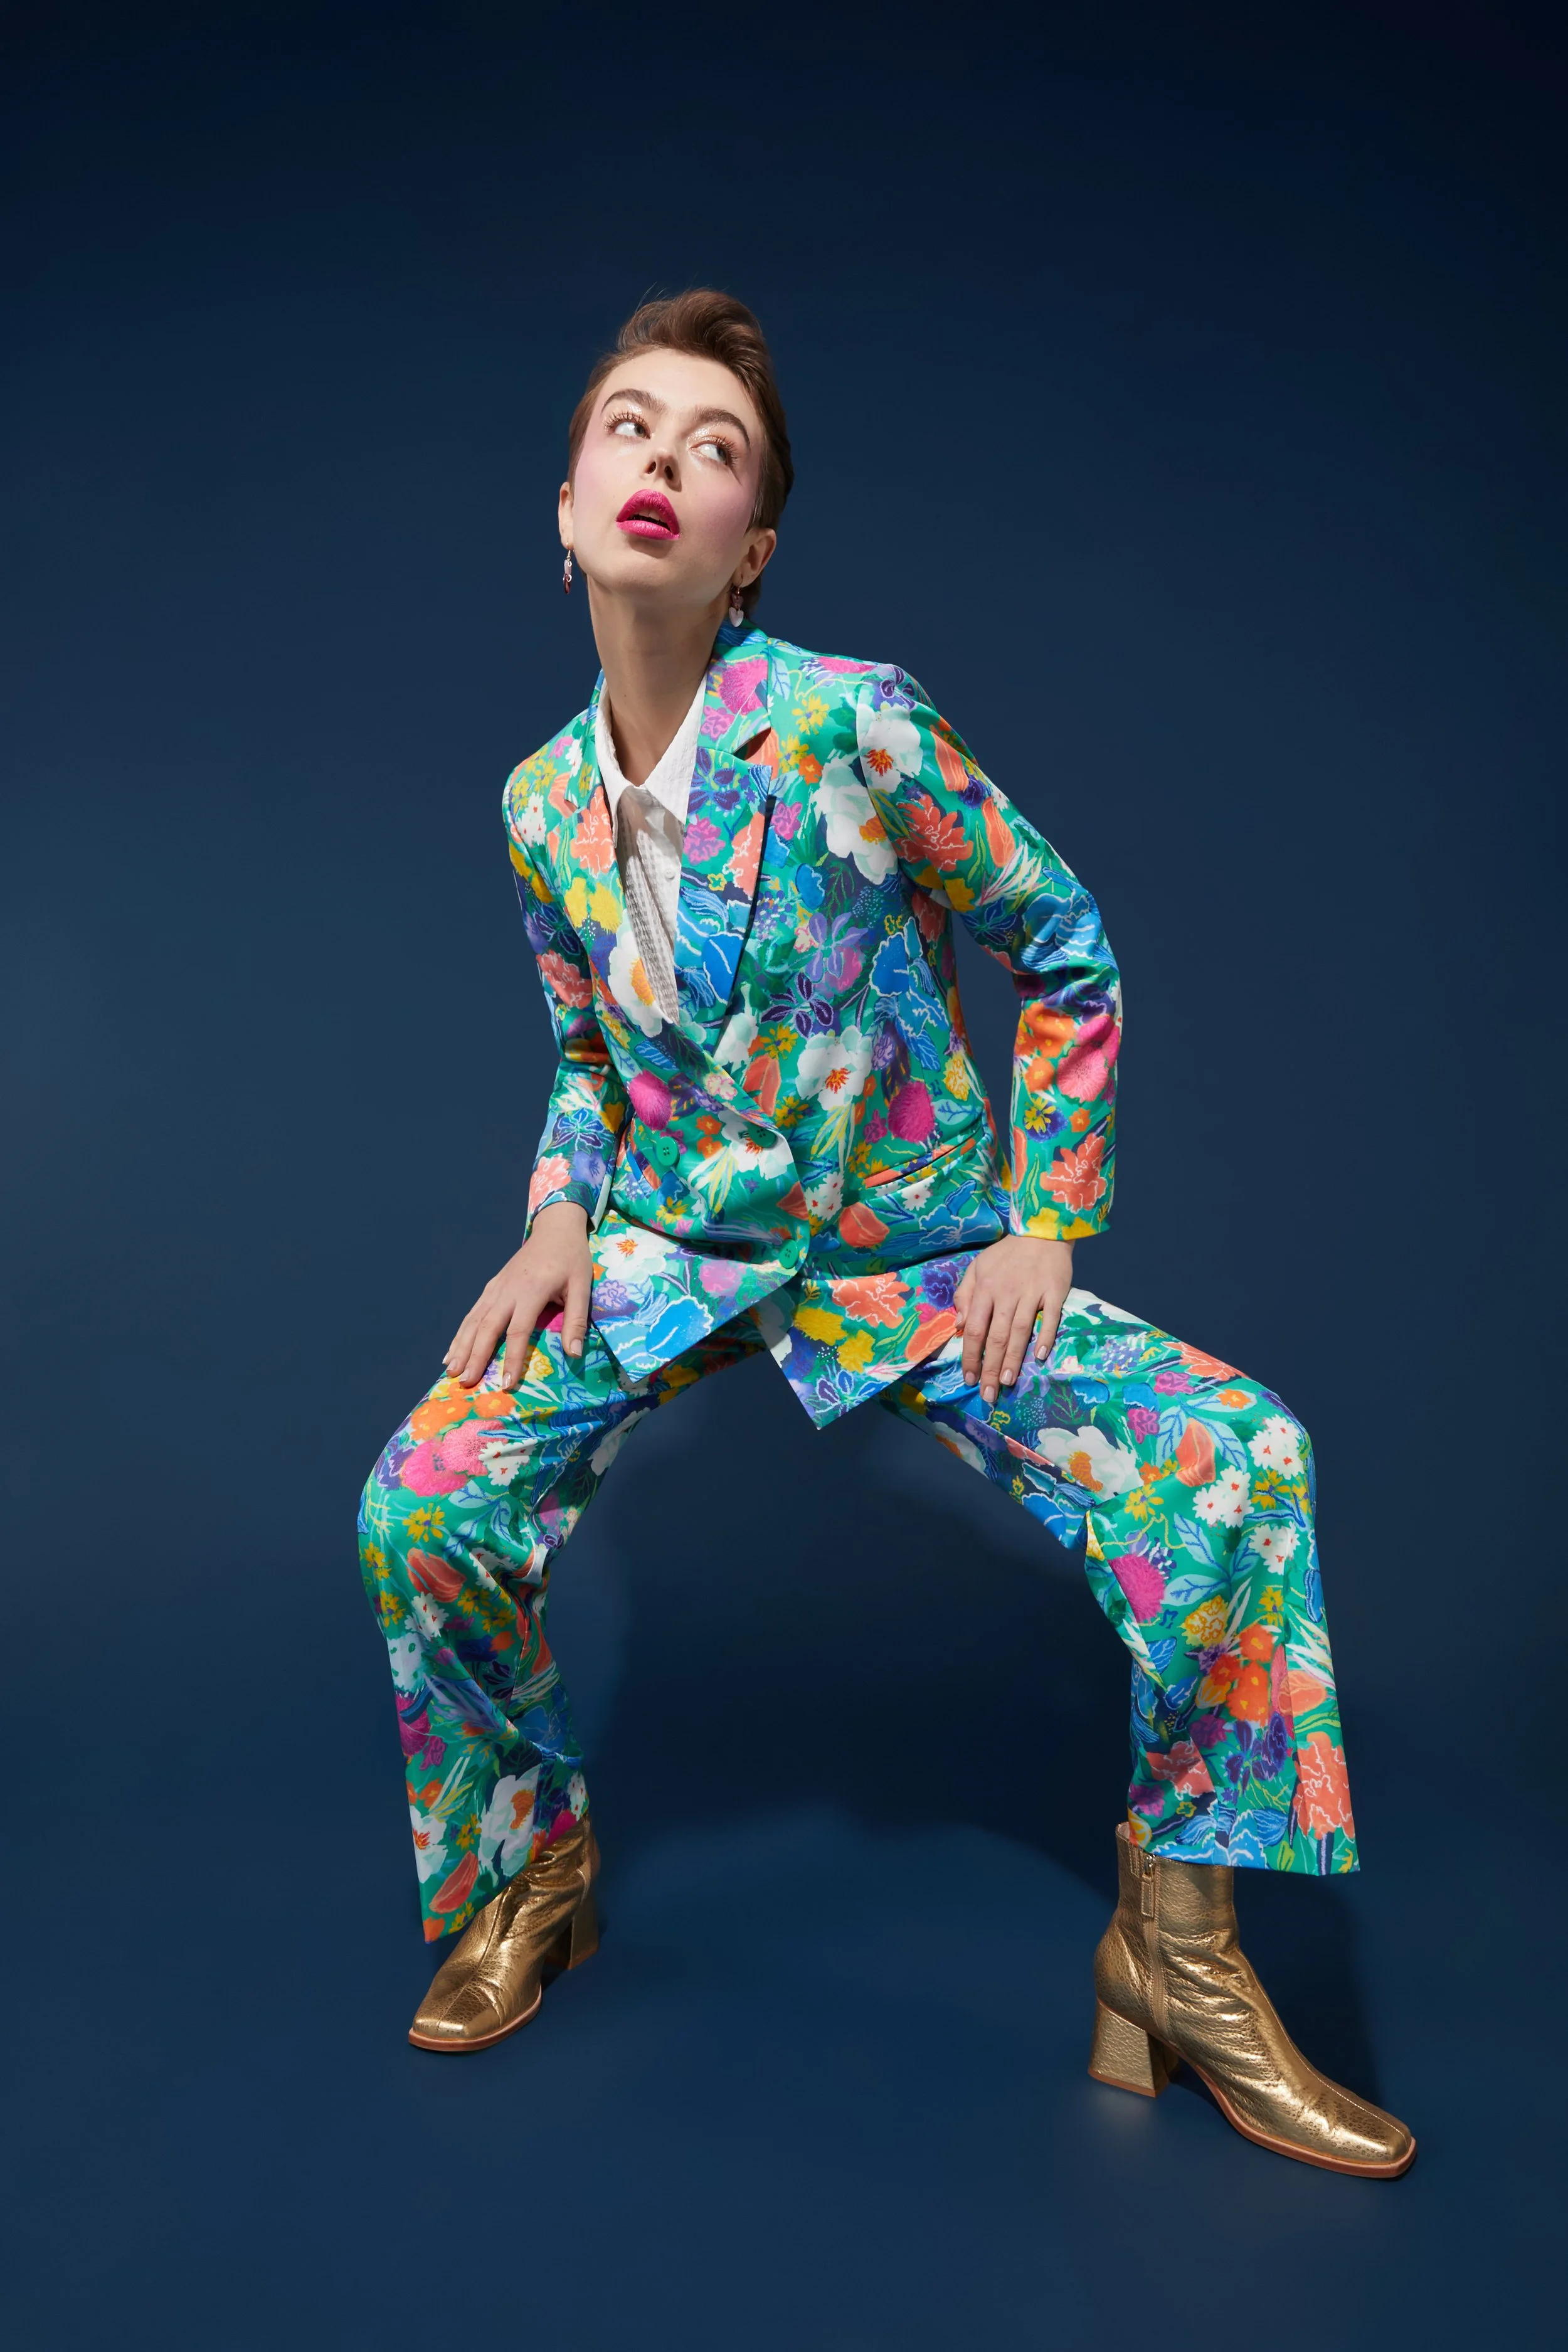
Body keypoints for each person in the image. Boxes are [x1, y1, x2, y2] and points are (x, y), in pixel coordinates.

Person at [358, 290, 1414, 2177]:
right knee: (423, 1498)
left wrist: (1041, 1214)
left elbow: (1066, 943)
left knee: (1242, 1462)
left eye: (712, 448)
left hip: (908, 1257)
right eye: (628, 426)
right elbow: (589, 1061)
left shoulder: (856, 726)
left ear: (750, 548)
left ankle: (1173, 1956)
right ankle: (528, 1877)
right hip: (669, 1246)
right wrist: (550, 1218)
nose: (661, 463)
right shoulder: (537, 806)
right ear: (566, 501)